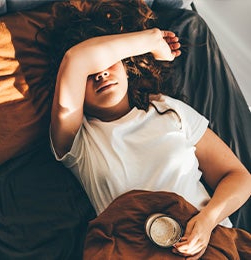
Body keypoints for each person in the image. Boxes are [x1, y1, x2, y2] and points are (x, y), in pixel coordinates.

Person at [43, 0, 251, 258]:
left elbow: (239, 177)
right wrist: (152, 40)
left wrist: (208, 221)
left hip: (210, 241)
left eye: (109, 63)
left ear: (126, 66)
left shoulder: (167, 109)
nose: (100, 75)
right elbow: (75, 59)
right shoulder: (77, 141)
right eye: (89, 73)